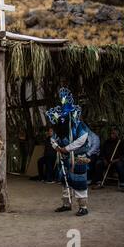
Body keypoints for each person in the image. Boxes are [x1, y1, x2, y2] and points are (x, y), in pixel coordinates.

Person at [46, 88, 90, 216]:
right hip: (63, 157)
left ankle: (83, 207)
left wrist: (66, 148)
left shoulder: (78, 125)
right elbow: (53, 139)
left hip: (77, 157)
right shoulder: (59, 127)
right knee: (64, 181)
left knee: (79, 181)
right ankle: (66, 204)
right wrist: (57, 148)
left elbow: (83, 138)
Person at [93, 127, 124, 192]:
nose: (112, 135)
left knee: (119, 164)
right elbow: (102, 153)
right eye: (112, 133)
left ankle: (123, 185)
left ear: (118, 134)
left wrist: (115, 160)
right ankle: (99, 182)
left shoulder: (122, 143)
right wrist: (104, 159)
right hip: (107, 161)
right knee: (98, 163)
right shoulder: (107, 142)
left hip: (118, 161)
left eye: (114, 133)